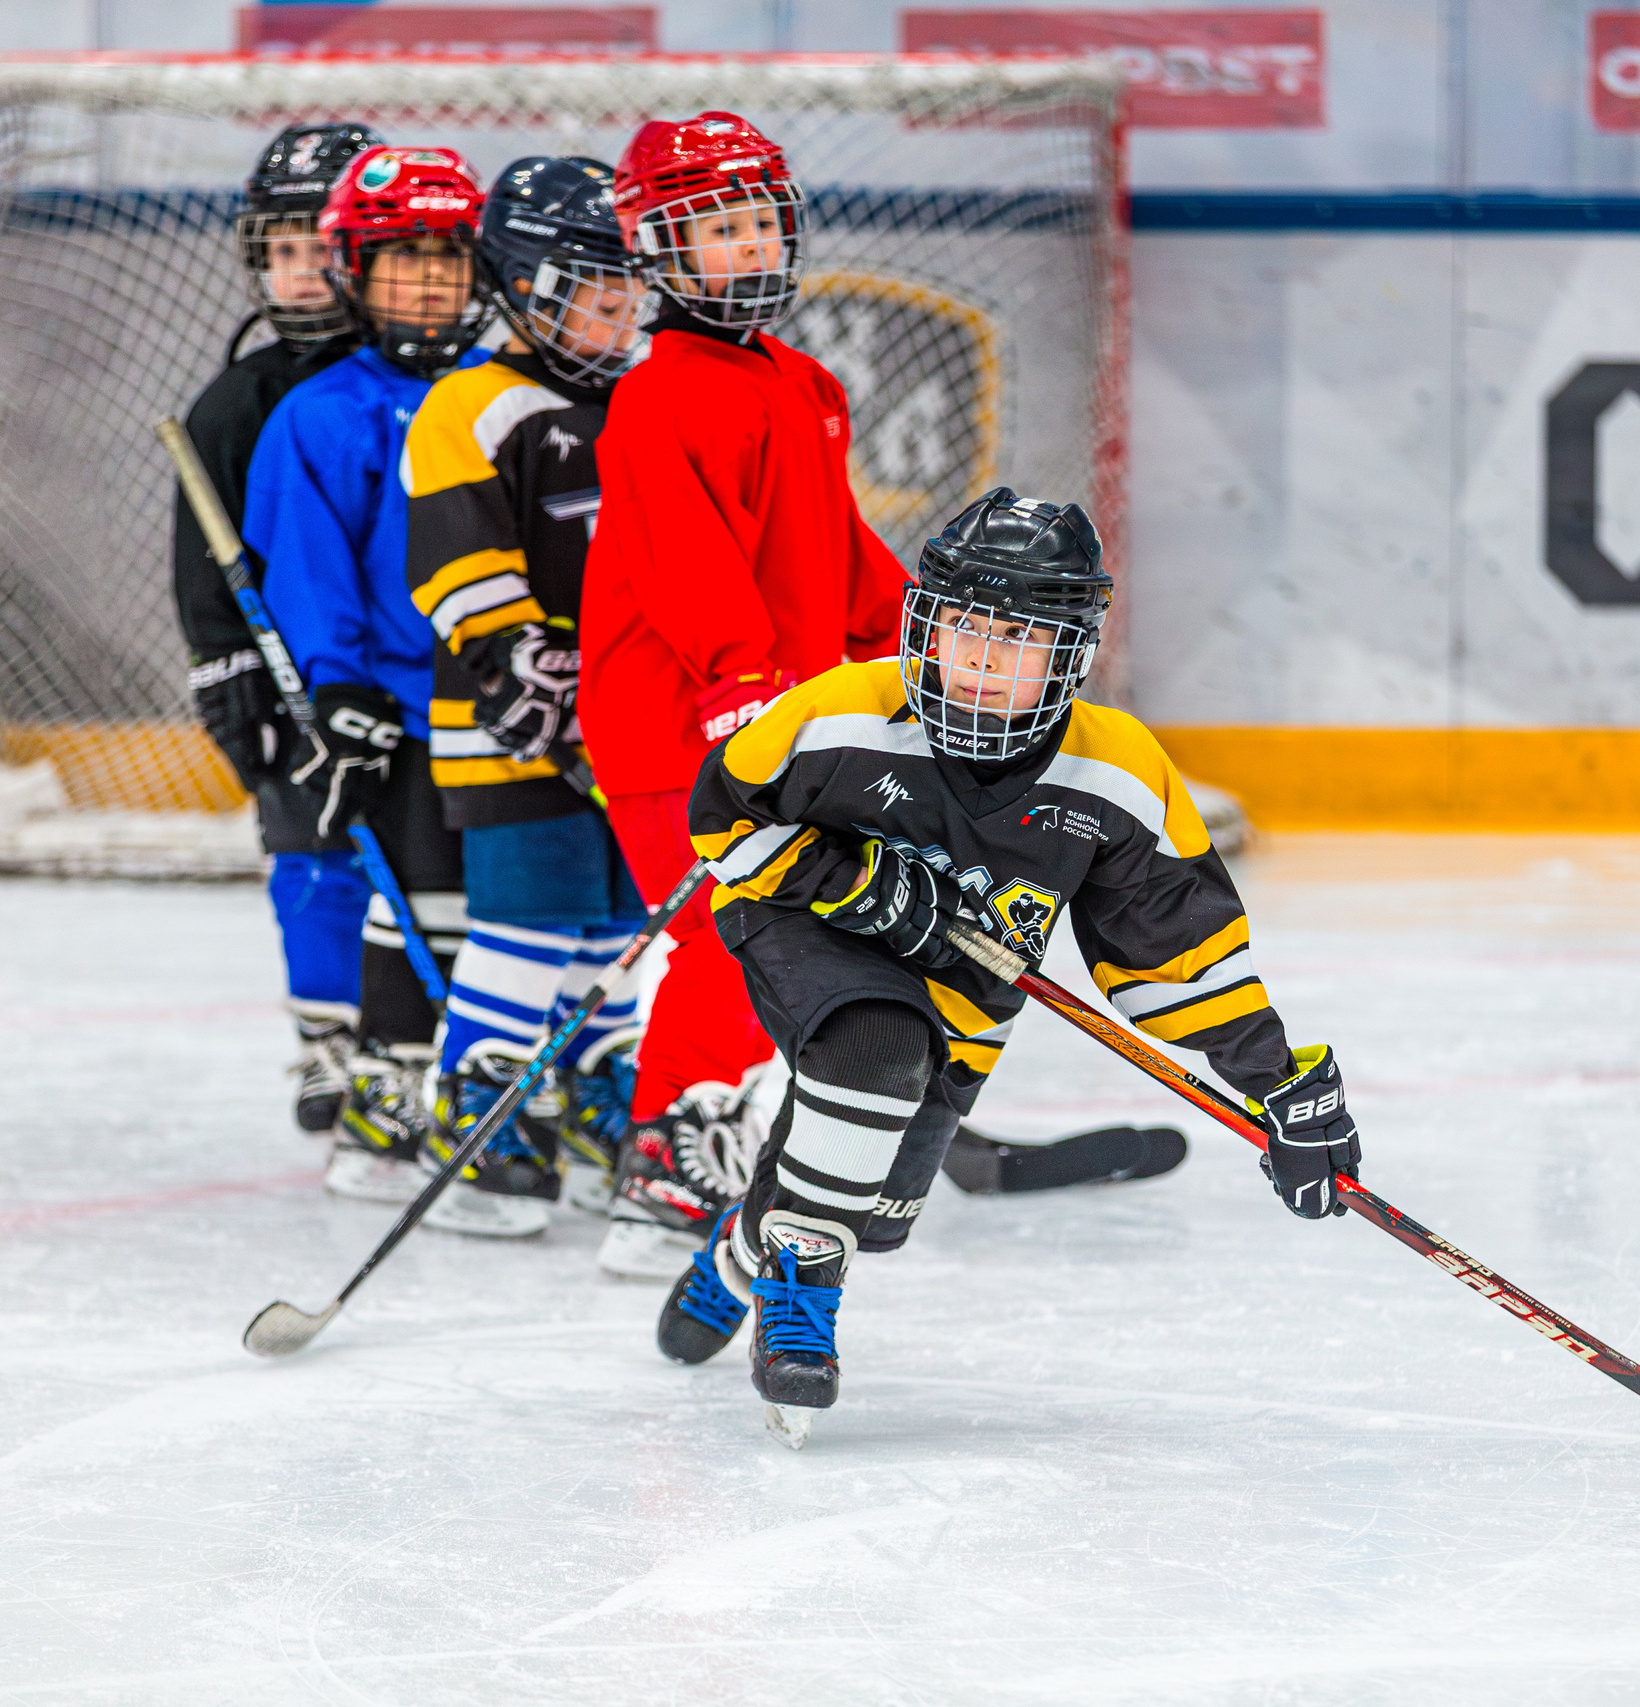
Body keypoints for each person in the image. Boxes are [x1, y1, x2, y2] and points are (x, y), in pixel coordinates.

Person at [667, 489, 1364, 1436]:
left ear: (1070, 656)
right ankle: (801, 1289)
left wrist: (1280, 1079)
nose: (986, 662)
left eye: (1021, 641)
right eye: (966, 629)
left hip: (968, 993)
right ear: (927, 623)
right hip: (800, 921)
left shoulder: (1116, 773)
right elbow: (721, 819)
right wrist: (851, 878)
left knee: (872, 1187)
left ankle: (744, 1252)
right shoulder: (844, 712)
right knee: (875, 1043)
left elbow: (1176, 954)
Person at [576, 111, 905, 1272]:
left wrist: (908, 635)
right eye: (720, 227)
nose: (752, 247)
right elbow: (683, 558)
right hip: (678, 722)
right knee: (727, 933)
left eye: (764, 221)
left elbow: (836, 543)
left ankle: (732, 1107)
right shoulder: (657, 393)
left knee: (778, 930)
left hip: (777, 713)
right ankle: (663, 1155)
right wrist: (741, 682)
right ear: (659, 248)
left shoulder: (801, 381)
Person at [401, 156, 652, 1238]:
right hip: (510, 732)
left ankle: (596, 1097)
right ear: (519, 285)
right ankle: (479, 1106)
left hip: (625, 728)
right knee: (529, 918)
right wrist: (540, 683)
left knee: (614, 923)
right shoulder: (474, 405)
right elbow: (459, 570)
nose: (615, 310)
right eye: (588, 289)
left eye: (624, 288)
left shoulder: (638, 403)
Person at [243, 145, 493, 1205]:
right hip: (403, 714)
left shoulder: (507, 397)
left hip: (519, 710)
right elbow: (308, 571)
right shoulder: (322, 413)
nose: (430, 279)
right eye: (403, 258)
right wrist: (340, 692)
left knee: (527, 919)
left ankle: (520, 1091)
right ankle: (390, 1095)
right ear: (357, 267)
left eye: (448, 256)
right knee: (415, 913)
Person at [171, 121, 383, 1134]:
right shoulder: (235, 403)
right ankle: (324, 1039)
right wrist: (224, 670)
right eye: (282, 250)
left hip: (405, 672)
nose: (300, 274)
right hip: (297, 677)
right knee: (311, 849)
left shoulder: (423, 379)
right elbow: (202, 563)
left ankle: (409, 1040)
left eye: (321, 248)